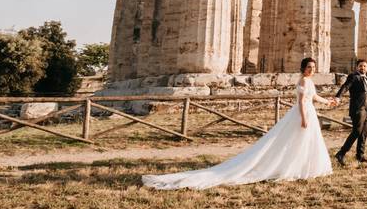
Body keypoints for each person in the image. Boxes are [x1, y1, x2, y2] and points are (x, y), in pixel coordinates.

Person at [142, 57, 338, 190]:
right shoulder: (303, 81)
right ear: (303, 68)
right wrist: (304, 118)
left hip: (309, 112)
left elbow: (314, 97)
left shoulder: (309, 82)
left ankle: (302, 167)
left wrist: (327, 102)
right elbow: (302, 102)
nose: (311, 70)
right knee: (293, 141)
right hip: (303, 115)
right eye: (309, 67)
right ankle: (292, 167)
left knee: (301, 142)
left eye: (313, 67)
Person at [333, 58, 367, 166]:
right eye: (360, 66)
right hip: (357, 109)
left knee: (364, 133)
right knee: (357, 131)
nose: (362, 68)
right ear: (357, 67)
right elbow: (345, 86)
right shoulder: (353, 77)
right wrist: (338, 97)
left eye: (364, 66)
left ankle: (360, 155)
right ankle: (341, 153)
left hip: (366, 110)